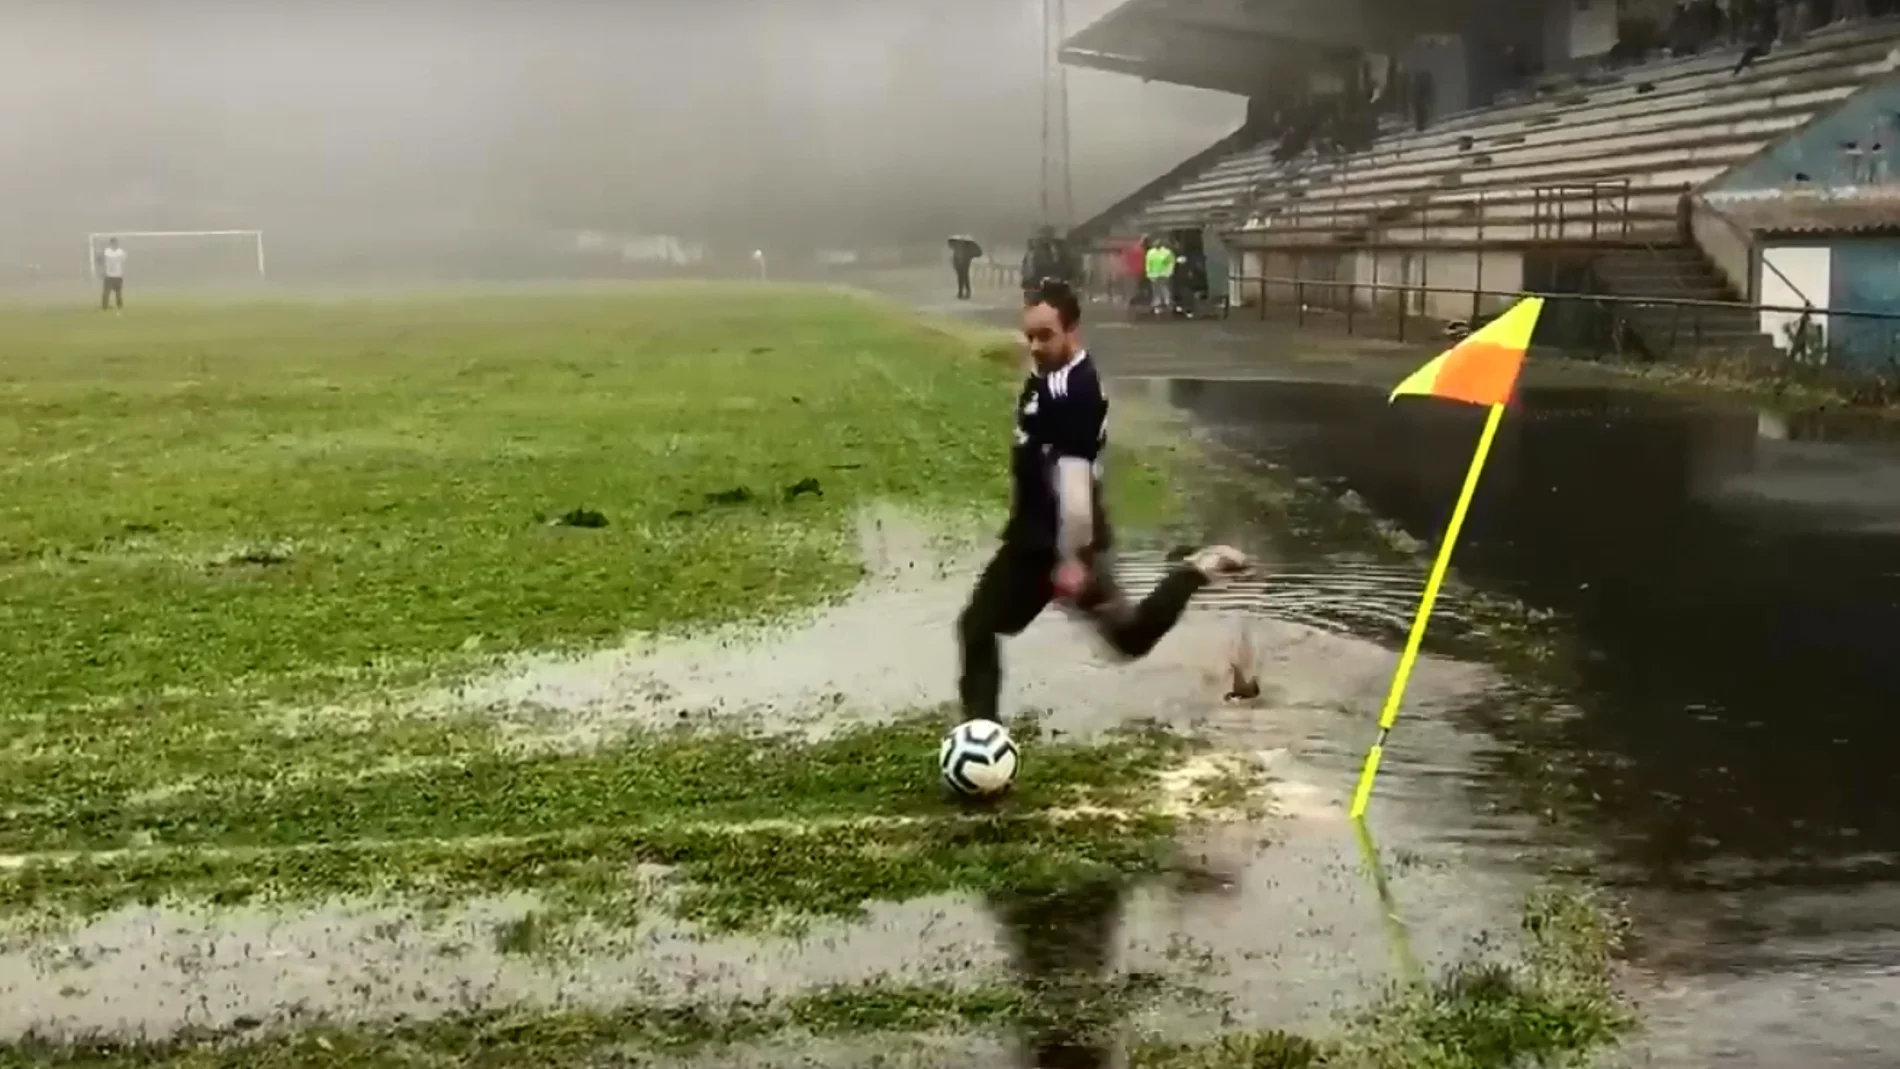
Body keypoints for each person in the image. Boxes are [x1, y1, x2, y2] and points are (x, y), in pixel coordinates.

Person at [956, 278, 1248, 729]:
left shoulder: (1077, 393)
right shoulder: (1052, 375)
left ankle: (981, 739)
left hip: (1053, 545)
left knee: (979, 627)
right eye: (1029, 334)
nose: (1034, 345)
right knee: (1124, 638)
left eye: (1045, 334)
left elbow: (1075, 479)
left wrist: (1072, 559)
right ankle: (1195, 570)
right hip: (1036, 537)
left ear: (1073, 330)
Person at [1144, 239, 1176, 316]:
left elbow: (1171, 262)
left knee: (1164, 287)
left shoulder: (1167, 252)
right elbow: (1148, 263)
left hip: (1164, 273)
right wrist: (1149, 273)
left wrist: (1169, 272)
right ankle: (1157, 302)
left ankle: (1166, 302)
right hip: (1154, 274)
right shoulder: (1151, 252)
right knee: (1156, 288)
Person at [98, 238, 125, 311]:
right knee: (106, 293)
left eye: (116, 243)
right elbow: (101, 260)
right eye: (113, 243)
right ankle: (104, 307)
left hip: (118, 276)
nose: (115, 244)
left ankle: (120, 307)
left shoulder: (120, 252)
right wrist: (102, 270)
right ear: (111, 244)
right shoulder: (106, 251)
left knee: (118, 294)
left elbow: (123, 262)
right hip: (108, 276)